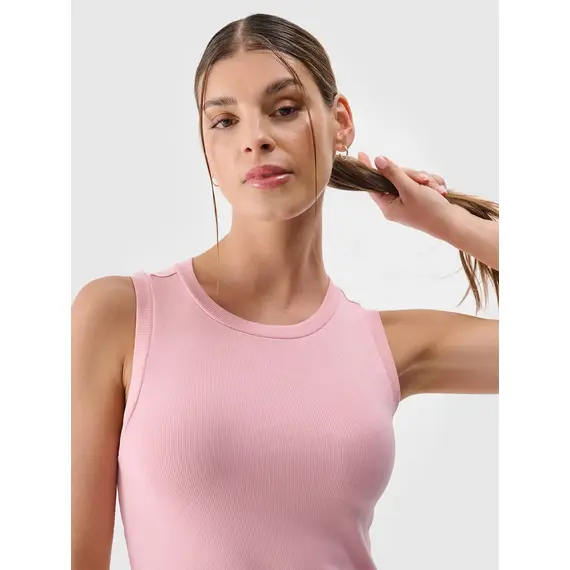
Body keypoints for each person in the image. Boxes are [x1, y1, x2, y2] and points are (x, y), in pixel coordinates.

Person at [71, 13, 498, 570]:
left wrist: (450, 223)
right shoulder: (121, 318)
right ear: (207, 150)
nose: (256, 139)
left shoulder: (389, 345)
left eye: (285, 109)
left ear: (340, 122)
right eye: (225, 121)